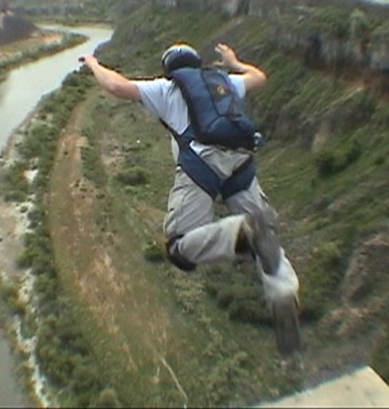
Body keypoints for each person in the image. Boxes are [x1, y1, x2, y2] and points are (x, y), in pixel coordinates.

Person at [79, 42, 301, 356]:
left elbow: (116, 85)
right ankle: (284, 296)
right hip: (242, 164)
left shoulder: (167, 88)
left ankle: (242, 232)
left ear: (170, 70)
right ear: (197, 64)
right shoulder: (225, 82)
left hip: (202, 165)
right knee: (267, 245)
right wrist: (234, 62)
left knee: (179, 247)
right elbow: (260, 77)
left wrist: (92, 63)